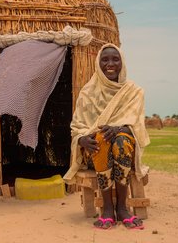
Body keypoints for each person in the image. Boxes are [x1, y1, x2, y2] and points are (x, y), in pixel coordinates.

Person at [63, 43, 150, 230]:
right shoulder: (88, 93)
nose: (110, 64)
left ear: (122, 63)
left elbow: (137, 127)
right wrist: (81, 139)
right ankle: (108, 209)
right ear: (97, 63)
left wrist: (119, 129)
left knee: (121, 140)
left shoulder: (134, 92)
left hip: (123, 149)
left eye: (115, 59)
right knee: (101, 138)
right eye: (105, 59)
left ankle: (122, 207)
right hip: (95, 151)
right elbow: (77, 127)